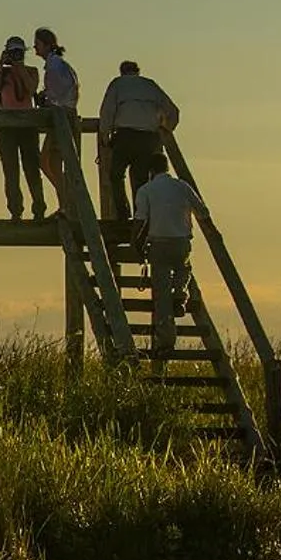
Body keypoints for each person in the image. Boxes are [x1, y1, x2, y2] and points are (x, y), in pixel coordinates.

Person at [133, 151, 206, 360]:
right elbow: (202, 211)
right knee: (184, 270)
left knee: (161, 297)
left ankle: (166, 342)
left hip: (158, 244)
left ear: (151, 172)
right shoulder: (182, 187)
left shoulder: (146, 190)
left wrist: (135, 242)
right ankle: (180, 294)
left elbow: (140, 219)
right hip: (181, 241)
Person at [99, 59, 181, 220]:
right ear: (137, 72)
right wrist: (166, 129)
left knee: (116, 175)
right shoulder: (150, 85)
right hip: (149, 138)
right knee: (141, 179)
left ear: (122, 72)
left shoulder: (118, 83)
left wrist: (104, 134)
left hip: (125, 136)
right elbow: (173, 111)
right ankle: (141, 215)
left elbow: (107, 110)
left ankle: (123, 213)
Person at [0, 35, 46, 219]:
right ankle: (16, 210)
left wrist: (19, 67)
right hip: (6, 127)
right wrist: (1, 63)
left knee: (32, 169)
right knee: (10, 171)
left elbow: (31, 89)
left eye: (18, 52)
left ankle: (39, 209)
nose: (15, 55)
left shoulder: (31, 71)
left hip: (28, 126)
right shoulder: (3, 73)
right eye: (12, 52)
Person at [33, 27, 81, 205]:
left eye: (37, 43)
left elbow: (58, 95)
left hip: (61, 116)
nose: (35, 47)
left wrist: (45, 99)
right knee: (53, 162)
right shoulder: (61, 64)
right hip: (66, 114)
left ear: (45, 45)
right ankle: (66, 201)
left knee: (48, 161)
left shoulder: (54, 66)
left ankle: (66, 201)